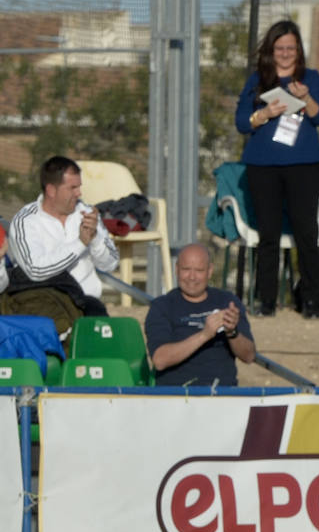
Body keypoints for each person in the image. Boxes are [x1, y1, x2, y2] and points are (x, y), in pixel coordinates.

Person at [236, 19, 319, 318]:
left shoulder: (311, 78)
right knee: (268, 235)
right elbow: (241, 122)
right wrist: (264, 113)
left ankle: (312, 302)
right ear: (270, 50)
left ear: (299, 50)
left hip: (304, 165)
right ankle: (267, 302)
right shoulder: (257, 80)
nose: (286, 53)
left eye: (291, 47)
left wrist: (305, 98)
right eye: (280, 48)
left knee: (307, 232)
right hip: (263, 166)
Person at [6, 156, 118, 316]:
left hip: (89, 307)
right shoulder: (26, 221)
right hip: (44, 307)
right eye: (72, 188)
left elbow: (110, 264)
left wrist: (95, 239)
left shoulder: (86, 213)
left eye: (79, 186)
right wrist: (80, 244)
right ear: (51, 190)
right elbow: (35, 270)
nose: (79, 193)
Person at [144, 243, 255, 386]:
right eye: (186, 269)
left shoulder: (227, 302)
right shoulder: (162, 306)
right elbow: (160, 360)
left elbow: (249, 356)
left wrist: (232, 332)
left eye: (199, 270)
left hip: (222, 394)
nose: (192, 277)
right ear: (176, 269)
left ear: (209, 271)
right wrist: (205, 335)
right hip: (177, 395)